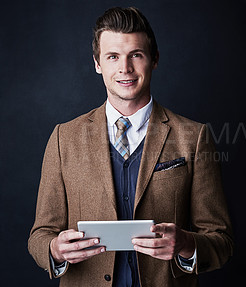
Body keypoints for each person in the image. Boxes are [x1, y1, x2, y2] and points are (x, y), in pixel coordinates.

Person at [28, 6, 233, 287]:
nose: (125, 68)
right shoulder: (64, 138)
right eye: (113, 57)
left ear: (154, 59)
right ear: (98, 63)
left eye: (136, 55)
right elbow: (40, 235)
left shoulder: (194, 137)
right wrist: (54, 250)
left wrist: (186, 244)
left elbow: (221, 242)